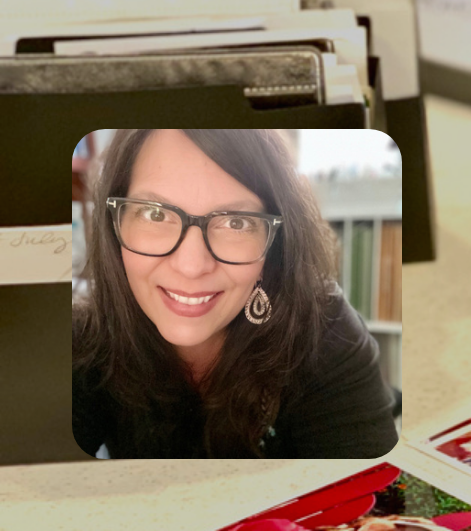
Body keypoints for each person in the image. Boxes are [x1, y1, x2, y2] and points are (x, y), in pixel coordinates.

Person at [72, 129, 398, 457]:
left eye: (236, 223)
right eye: (155, 213)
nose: (191, 266)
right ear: (113, 225)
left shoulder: (324, 333)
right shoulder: (83, 338)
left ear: (274, 243)